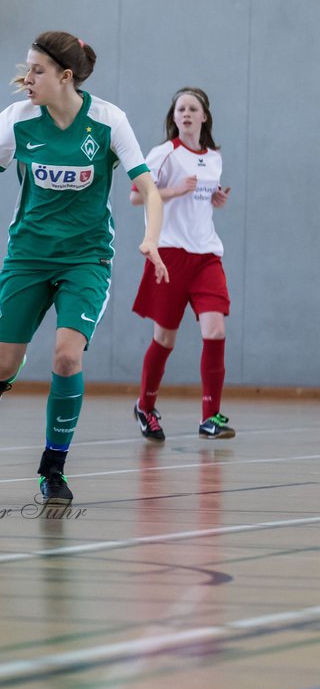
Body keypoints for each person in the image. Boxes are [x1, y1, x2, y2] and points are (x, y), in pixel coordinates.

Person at [0, 31, 169, 505]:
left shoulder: (108, 121)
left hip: (86, 258)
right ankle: (1, 375)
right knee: (3, 359)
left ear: (65, 76)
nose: (26, 78)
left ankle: (53, 466)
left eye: (37, 70)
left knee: (67, 357)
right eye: (27, 68)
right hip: (28, 256)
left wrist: (151, 236)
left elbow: (148, 186)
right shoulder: (18, 120)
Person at [130, 87, 235, 441]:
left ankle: (211, 416)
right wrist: (174, 190)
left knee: (215, 330)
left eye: (193, 109)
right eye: (181, 109)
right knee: (165, 338)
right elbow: (135, 195)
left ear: (204, 116)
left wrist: (215, 197)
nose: (187, 114)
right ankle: (145, 407)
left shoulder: (214, 157)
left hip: (206, 255)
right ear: (173, 118)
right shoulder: (164, 154)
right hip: (169, 254)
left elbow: (203, 199)